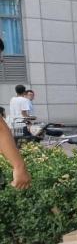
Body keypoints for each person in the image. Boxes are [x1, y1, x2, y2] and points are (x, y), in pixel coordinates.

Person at [0, 39, 30, 189]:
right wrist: (19, 166)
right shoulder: (24, 100)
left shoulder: (13, 99)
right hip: (22, 123)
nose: (2, 61)